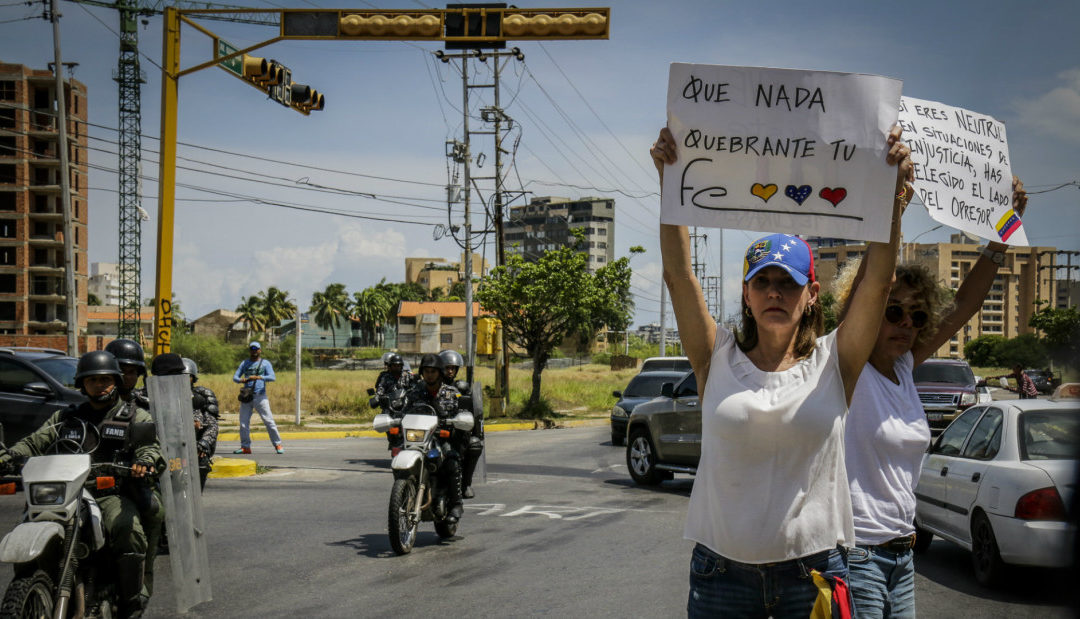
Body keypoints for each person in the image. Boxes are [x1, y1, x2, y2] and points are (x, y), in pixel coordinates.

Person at [651, 124, 912, 617]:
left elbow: (878, 283)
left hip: (812, 577)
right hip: (720, 579)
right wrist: (671, 182)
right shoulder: (714, 356)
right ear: (746, 295)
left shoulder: (837, 361)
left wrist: (892, 200)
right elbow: (678, 275)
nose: (775, 292)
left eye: (788, 282)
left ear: (811, 294)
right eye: (762, 281)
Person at [835, 177, 1028, 618]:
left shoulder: (904, 368)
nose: (907, 322)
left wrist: (1004, 228)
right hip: (855, 555)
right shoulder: (847, 365)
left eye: (917, 315)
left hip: (903, 556)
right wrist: (895, 204)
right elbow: (872, 281)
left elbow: (962, 306)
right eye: (894, 311)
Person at [0, 350, 161, 618]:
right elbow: (33, 442)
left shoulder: (133, 416)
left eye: (105, 379)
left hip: (108, 493)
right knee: (27, 524)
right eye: (92, 380)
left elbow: (150, 447)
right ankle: (33, 588)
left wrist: (144, 461)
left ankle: (131, 601)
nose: (99, 385)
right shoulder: (66, 418)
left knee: (127, 529)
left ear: (116, 381)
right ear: (82, 384)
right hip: (64, 493)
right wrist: (9, 456)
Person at [405, 353, 465, 523]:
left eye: (433, 371)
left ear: (439, 372)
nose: (429, 375)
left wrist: (454, 421)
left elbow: (461, 414)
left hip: (440, 438)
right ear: (422, 372)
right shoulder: (415, 391)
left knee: (452, 461)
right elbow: (404, 411)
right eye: (426, 371)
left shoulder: (451, 393)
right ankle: (405, 492)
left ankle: (456, 504)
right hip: (418, 437)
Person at [439, 349, 484, 499]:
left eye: (453, 368)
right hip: (434, 429)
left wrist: (476, 429)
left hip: (455, 430)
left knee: (475, 444)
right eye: (447, 367)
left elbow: (471, 412)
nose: (450, 371)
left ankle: (465, 484)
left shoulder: (461, 388)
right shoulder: (430, 386)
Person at [233, 341, 284, 454]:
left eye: (256, 349)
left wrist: (259, 377)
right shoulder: (245, 363)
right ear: (250, 351)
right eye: (252, 349)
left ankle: (278, 444)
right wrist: (243, 380)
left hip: (261, 397)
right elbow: (235, 377)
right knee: (243, 422)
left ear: (260, 350)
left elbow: (272, 377)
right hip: (247, 397)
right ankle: (245, 447)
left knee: (269, 421)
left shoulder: (265, 363)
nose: (254, 351)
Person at [182, 358, 219, 489]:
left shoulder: (201, 396)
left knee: (202, 462)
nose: (184, 379)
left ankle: (197, 492)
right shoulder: (164, 396)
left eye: (187, 377)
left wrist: (204, 443)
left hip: (194, 444)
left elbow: (212, 424)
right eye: (179, 376)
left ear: (193, 378)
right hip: (171, 443)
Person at [107, 338, 150, 409]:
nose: (127, 377)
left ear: (138, 374)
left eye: (131, 372)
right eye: (121, 371)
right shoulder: (95, 405)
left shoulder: (144, 406)